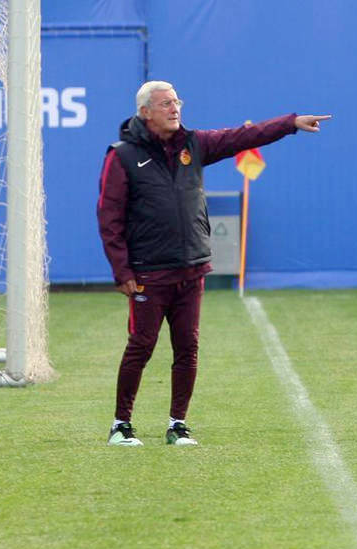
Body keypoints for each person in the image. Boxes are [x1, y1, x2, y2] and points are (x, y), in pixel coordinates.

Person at [97, 80, 331, 446]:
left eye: (177, 102)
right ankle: (121, 424)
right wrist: (122, 270)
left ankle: (178, 423)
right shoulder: (122, 155)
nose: (175, 109)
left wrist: (290, 123)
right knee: (141, 345)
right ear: (145, 112)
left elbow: (242, 137)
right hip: (148, 272)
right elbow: (108, 217)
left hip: (191, 268)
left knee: (187, 348)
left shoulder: (194, 144)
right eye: (165, 104)